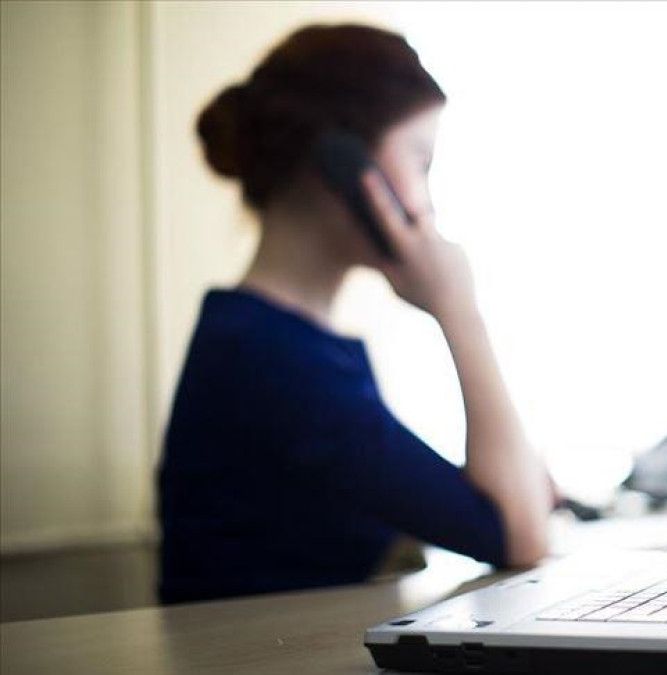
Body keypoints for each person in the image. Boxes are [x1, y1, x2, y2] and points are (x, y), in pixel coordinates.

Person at [157, 24, 551, 604]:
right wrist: (458, 309)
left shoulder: (273, 338)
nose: (427, 202)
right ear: (342, 161)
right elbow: (521, 536)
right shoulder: (270, 359)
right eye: (421, 162)